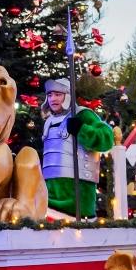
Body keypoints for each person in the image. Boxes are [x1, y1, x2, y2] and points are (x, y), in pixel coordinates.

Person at [41, 78, 115, 219]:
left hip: (77, 196)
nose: (53, 99)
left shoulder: (82, 114)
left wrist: (81, 129)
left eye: (58, 94)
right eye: (50, 95)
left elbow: (106, 138)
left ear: (68, 96)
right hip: (50, 196)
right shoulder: (49, 121)